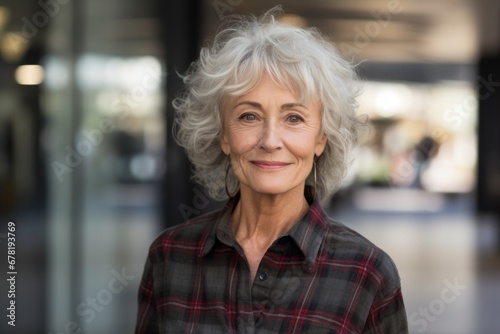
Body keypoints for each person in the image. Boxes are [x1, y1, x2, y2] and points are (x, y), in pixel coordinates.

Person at [135, 8, 408, 334]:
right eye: (249, 116)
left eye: (294, 118)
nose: (269, 140)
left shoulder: (368, 273)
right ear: (223, 135)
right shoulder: (169, 257)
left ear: (322, 138)